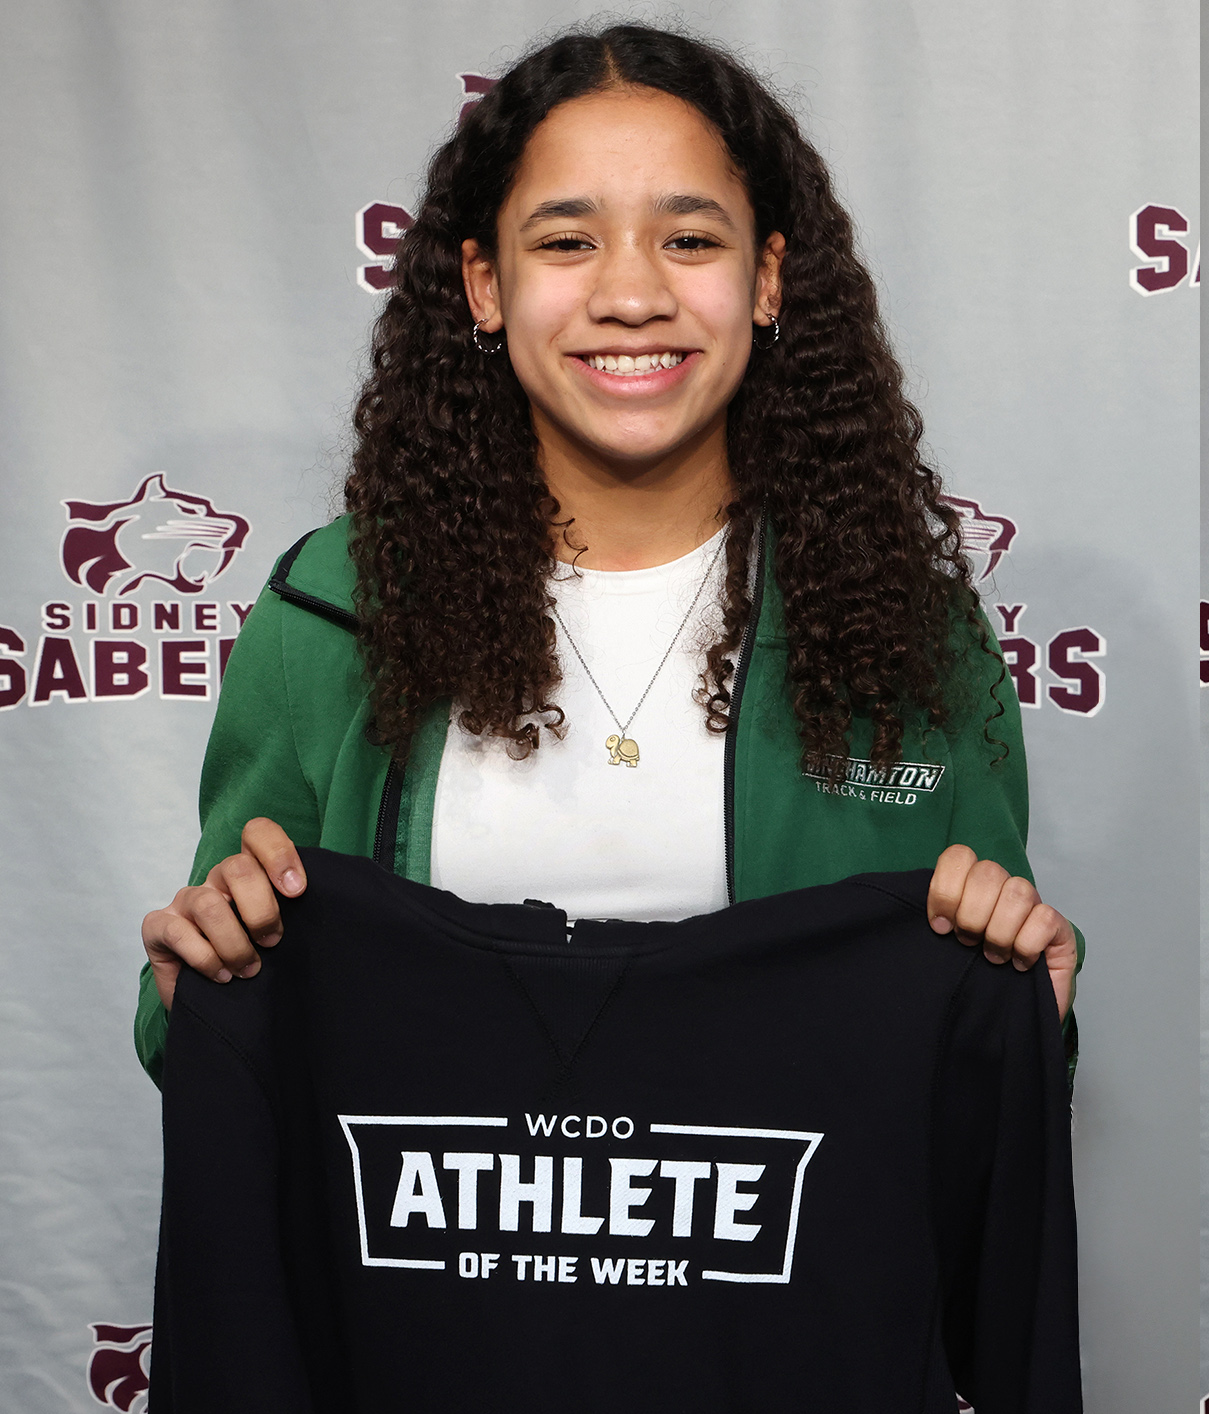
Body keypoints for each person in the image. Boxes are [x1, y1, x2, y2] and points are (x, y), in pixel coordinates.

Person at [135, 24, 1079, 1083]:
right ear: (485, 288)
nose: (632, 295)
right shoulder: (334, 609)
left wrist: (1035, 1003)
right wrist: (194, 981)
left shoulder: (903, 626)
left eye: (690, 240)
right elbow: (205, 1038)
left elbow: (991, 1067)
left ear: (769, 281)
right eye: (567, 242)